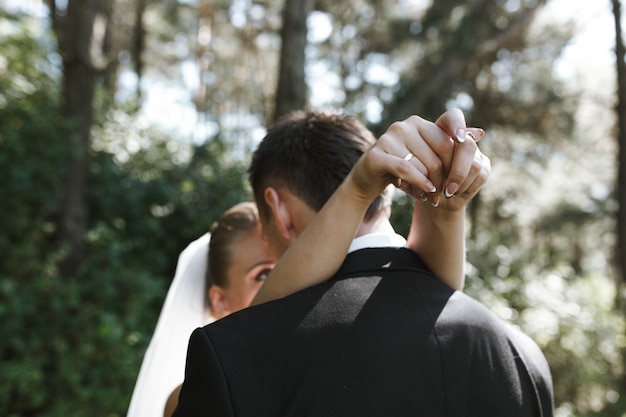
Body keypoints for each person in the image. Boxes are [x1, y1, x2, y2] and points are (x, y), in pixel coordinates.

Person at [127, 202, 274, 417]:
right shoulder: (190, 401)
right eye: (263, 274)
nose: (284, 279)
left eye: (286, 264)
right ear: (220, 300)